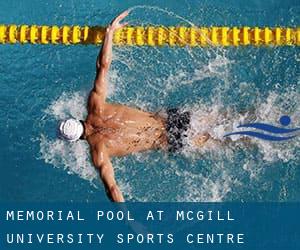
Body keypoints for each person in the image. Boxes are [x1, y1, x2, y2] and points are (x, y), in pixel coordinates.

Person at [58, 11, 210, 202]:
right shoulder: (95, 105)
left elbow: (112, 189)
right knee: (226, 118)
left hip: (171, 140)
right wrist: (109, 33)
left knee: (228, 141)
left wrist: (130, 222)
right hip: (172, 118)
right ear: (76, 119)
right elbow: (103, 66)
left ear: (76, 140)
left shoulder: (99, 152)